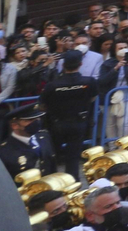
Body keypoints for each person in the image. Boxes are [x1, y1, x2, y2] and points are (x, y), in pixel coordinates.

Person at [40, 49, 97, 178]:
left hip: (56, 123)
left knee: (53, 156)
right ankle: (73, 183)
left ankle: (51, 183)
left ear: (63, 64)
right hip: (79, 123)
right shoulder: (89, 82)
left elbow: (43, 105)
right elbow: (92, 98)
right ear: (80, 64)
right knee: (73, 158)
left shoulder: (52, 85)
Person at [0, 104, 52, 177]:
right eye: (30, 120)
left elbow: (52, 166)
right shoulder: (4, 151)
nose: (36, 122)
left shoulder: (44, 137)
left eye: (37, 118)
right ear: (15, 126)